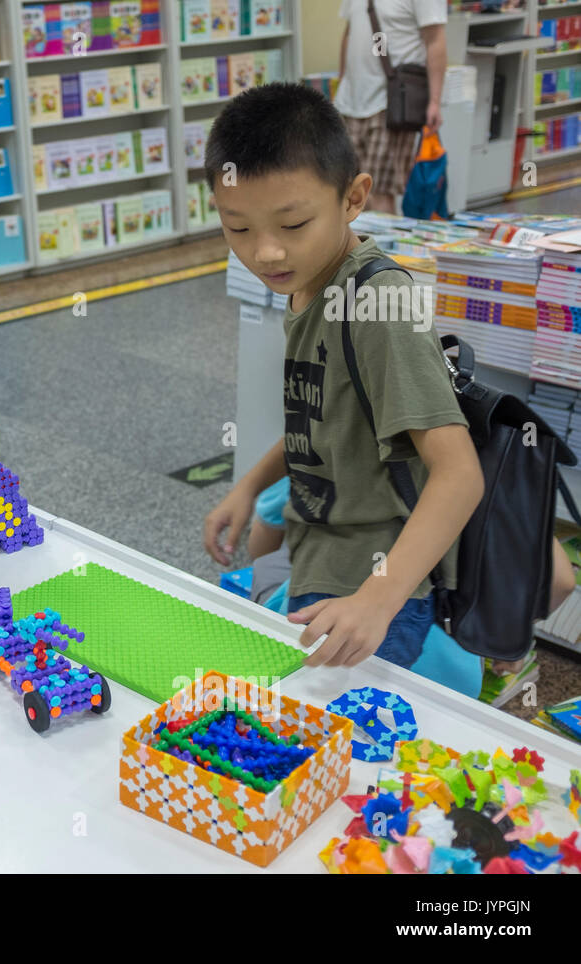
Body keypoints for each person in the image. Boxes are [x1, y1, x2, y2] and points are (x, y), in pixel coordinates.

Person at [199, 83, 572, 671]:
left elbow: (458, 474)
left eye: (293, 224)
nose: (266, 252)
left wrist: (377, 599)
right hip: (323, 557)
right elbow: (322, 417)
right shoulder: (307, 285)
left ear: (354, 198)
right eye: (238, 228)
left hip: (372, 585)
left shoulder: (381, 304)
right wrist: (249, 487)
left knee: (347, 750)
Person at [334, 0, 447, 214]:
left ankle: (381, 248)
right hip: (349, 103)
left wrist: (434, 101)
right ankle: (358, 248)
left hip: (392, 104)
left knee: (378, 192)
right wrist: (341, 83)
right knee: (349, 192)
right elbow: (350, 33)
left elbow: (435, 40)